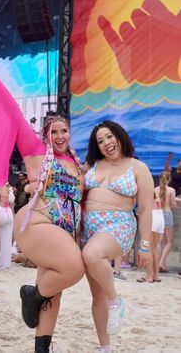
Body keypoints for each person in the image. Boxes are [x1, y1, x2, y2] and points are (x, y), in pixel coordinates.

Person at [0, 74, 85, 352]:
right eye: (53, 132)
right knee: (73, 268)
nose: (58, 136)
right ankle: (31, 295)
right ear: (44, 135)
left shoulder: (76, 162)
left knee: (55, 290)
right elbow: (15, 115)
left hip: (64, 231)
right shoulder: (36, 151)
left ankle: (42, 346)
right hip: (38, 221)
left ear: (69, 133)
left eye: (63, 131)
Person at [81, 120, 154, 353]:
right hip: (89, 229)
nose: (106, 143)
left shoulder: (138, 168)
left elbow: (145, 209)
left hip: (118, 226)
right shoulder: (91, 165)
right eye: (100, 141)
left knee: (91, 254)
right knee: (97, 295)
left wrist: (145, 245)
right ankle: (105, 348)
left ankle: (117, 301)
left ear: (119, 136)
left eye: (109, 137)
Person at [137, 191, 165, 283]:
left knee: (147, 248)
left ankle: (149, 276)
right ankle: (156, 275)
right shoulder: (155, 194)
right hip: (159, 217)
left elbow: (142, 210)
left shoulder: (145, 195)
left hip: (152, 217)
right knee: (155, 248)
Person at [155, 171, 177, 273]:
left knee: (159, 241)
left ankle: (157, 263)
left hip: (158, 215)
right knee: (169, 242)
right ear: (169, 179)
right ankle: (161, 262)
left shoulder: (155, 190)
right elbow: (173, 205)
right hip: (167, 214)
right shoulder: (171, 190)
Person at [0, 184, 14, 270]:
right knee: (7, 240)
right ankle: (5, 264)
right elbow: (11, 199)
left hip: (0, 210)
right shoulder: (7, 188)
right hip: (8, 211)